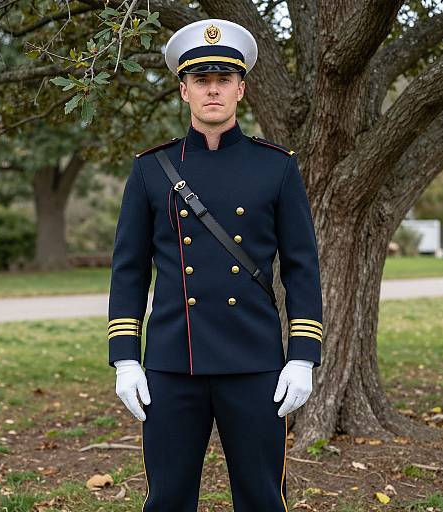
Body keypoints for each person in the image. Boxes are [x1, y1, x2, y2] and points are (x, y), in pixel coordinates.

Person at [108, 18, 323, 512]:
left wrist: (303, 354)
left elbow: (301, 266)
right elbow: (129, 270)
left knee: (263, 499)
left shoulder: (277, 167)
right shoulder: (149, 170)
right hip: (170, 362)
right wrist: (124, 356)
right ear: (183, 90)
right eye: (201, 80)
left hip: (254, 363)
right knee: (166, 499)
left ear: (241, 89)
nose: (212, 90)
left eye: (223, 80)